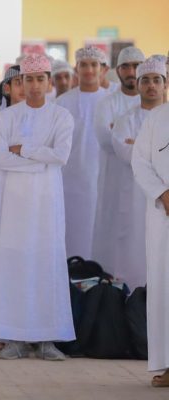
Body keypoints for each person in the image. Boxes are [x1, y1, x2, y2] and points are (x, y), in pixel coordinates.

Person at [0, 53, 75, 360]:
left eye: (40, 79)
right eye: (29, 80)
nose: (35, 85)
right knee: (13, 265)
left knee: (46, 263)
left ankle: (47, 338)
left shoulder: (61, 117)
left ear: (49, 82)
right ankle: (13, 337)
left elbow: (61, 156)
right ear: (20, 83)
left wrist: (23, 149)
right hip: (12, 204)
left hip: (46, 204)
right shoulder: (3, 119)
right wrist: (40, 161)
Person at [111, 58, 167, 289]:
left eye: (156, 80)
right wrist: (153, 151)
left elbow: (139, 154)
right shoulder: (125, 120)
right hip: (134, 194)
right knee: (134, 245)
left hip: (164, 196)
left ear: (164, 84)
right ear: (138, 84)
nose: (151, 85)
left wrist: (141, 147)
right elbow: (125, 153)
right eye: (146, 80)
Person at [92, 47, 145, 277]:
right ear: (118, 70)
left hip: (144, 185)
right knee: (111, 233)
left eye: (136, 66)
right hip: (113, 179)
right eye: (126, 66)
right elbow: (107, 141)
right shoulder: (106, 104)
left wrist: (127, 137)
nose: (131, 71)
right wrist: (141, 142)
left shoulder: (154, 104)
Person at [56, 46, 109, 259]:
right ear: (76, 68)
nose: (89, 70)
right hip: (70, 183)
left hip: (104, 180)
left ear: (102, 69)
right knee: (72, 235)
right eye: (84, 65)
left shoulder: (112, 100)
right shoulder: (63, 102)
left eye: (93, 65)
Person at [131, 100, 169, 389]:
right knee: (164, 287)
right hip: (162, 214)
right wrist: (162, 193)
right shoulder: (156, 118)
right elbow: (140, 162)